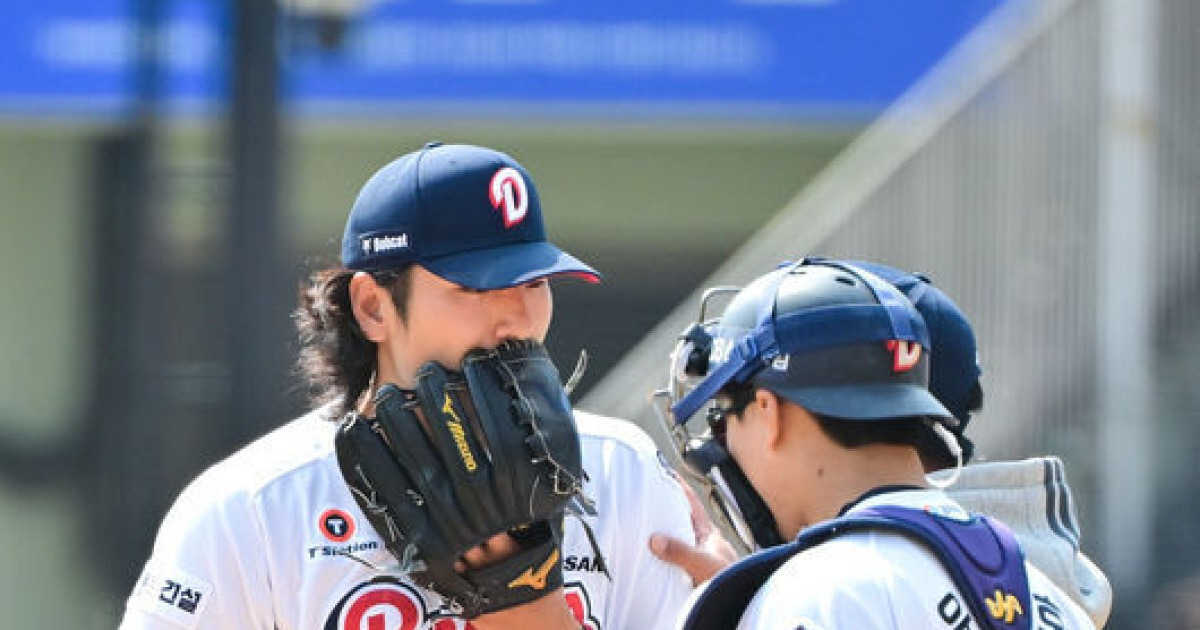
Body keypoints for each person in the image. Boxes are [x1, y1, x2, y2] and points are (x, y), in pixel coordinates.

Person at [119, 142, 694, 629]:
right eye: (476, 287)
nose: (518, 319)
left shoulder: (623, 472)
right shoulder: (251, 508)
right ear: (373, 306)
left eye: (534, 282)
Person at [651, 259, 1113, 627]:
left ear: (768, 411)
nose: (724, 441)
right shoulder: (1045, 594)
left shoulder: (822, 590)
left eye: (724, 417)